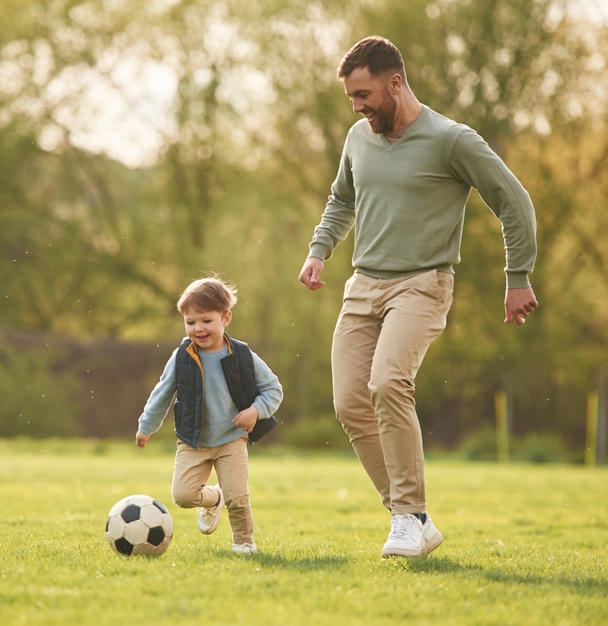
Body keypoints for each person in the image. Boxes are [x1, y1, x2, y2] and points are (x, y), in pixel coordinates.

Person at [298, 36, 538, 558]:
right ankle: (411, 518)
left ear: (395, 83)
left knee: (387, 381)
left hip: (422, 284)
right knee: (349, 401)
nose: (357, 107)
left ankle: (407, 516)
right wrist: (320, 250)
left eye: (363, 95)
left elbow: (513, 202)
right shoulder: (358, 139)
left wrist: (517, 275)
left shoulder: (452, 140)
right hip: (363, 285)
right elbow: (342, 199)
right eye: (351, 99)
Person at [136, 276, 283, 554]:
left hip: (231, 439)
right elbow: (162, 392)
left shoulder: (242, 355)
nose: (198, 328)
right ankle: (213, 498)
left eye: (206, 321)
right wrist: (146, 426)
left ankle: (244, 544)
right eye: (190, 322)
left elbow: (274, 390)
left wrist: (255, 411)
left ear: (225, 318)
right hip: (195, 440)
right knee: (183, 496)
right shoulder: (182, 356)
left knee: (238, 498)